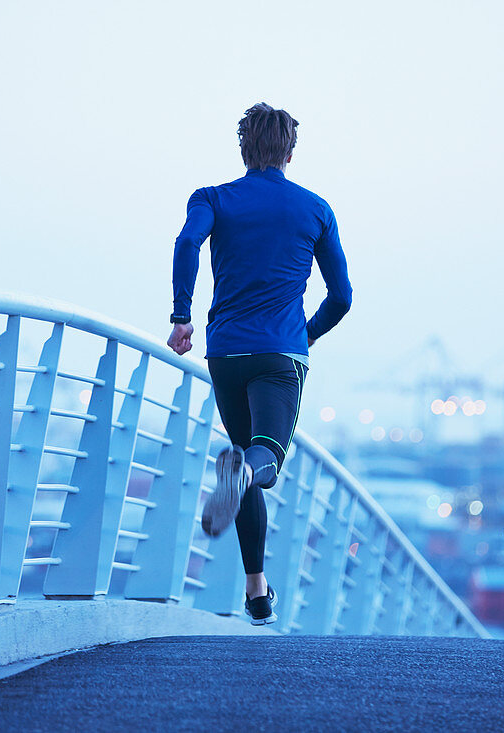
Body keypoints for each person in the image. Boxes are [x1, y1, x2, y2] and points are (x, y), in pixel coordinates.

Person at [166, 102, 352, 626]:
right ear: (290, 152)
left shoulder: (213, 199)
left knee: (246, 460)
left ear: (243, 148)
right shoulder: (314, 209)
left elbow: (187, 242)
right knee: (263, 461)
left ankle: (256, 592)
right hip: (279, 355)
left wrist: (183, 315)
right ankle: (244, 474)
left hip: (225, 352)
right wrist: (303, 336)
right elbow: (342, 297)